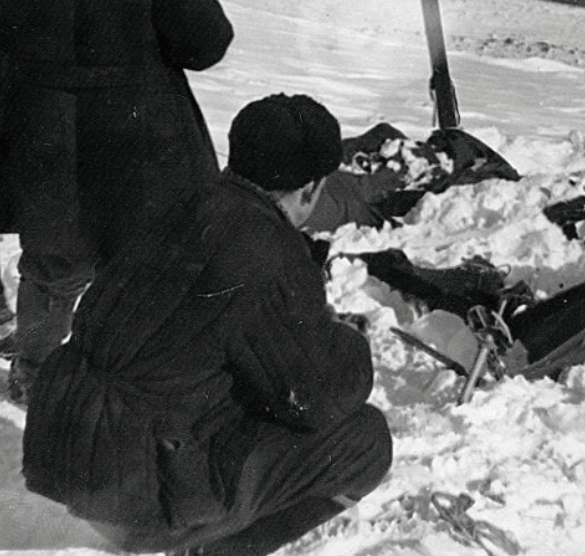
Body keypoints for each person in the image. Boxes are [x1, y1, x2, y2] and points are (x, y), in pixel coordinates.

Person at [22, 93, 392, 556]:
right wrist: (348, 341)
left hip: (57, 447)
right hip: (132, 493)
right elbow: (315, 400)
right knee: (365, 440)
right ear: (310, 189)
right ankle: (216, 550)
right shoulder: (268, 248)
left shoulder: (178, 205)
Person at [0, 0, 234, 403]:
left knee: (52, 265)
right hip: (140, 136)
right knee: (142, 267)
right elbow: (206, 44)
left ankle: (35, 378)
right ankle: (131, 383)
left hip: (40, 132)